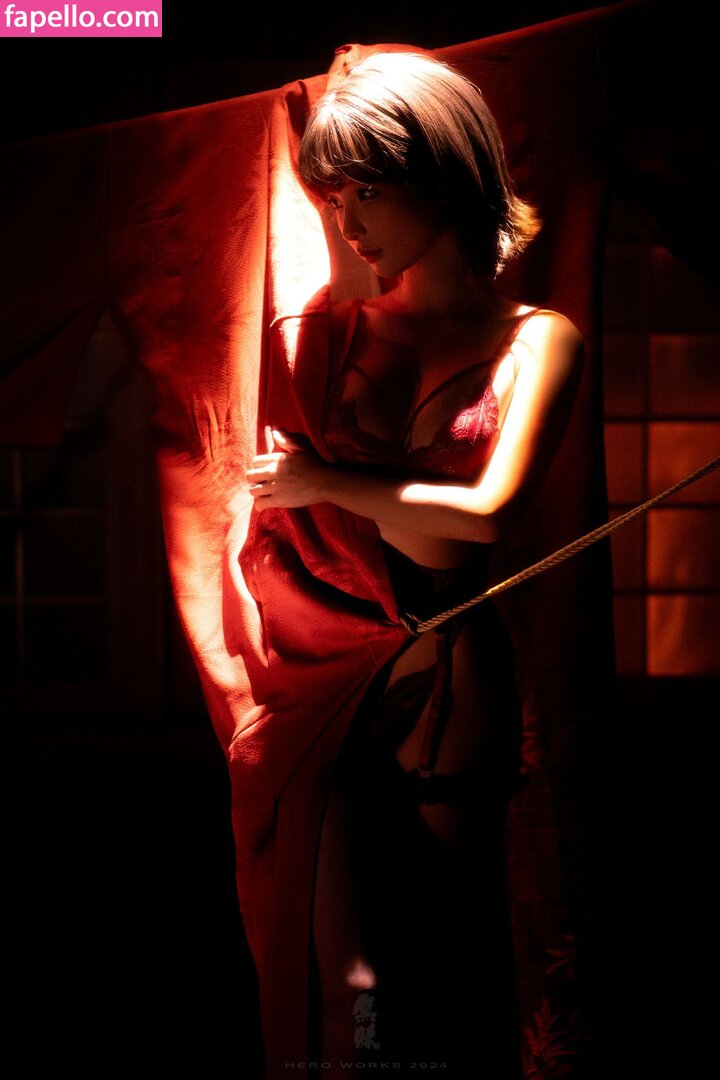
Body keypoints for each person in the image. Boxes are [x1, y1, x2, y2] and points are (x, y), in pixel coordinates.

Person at [245, 51, 584, 1078]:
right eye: (334, 197)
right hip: (330, 677)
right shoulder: (327, 331)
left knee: (446, 961)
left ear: (442, 171)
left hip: (455, 676)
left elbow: (483, 515)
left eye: (368, 191)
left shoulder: (540, 340)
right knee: (351, 989)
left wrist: (325, 481)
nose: (348, 223)